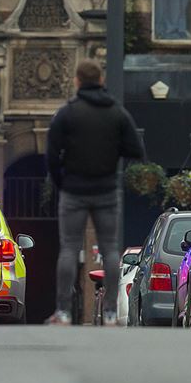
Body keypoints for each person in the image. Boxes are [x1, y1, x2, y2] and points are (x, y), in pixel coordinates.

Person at [46, 60, 145, 326]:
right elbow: (136, 150)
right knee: (111, 249)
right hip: (106, 190)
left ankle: (64, 312)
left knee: (68, 248)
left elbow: (51, 156)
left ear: (77, 81)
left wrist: (62, 181)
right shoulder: (116, 113)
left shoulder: (67, 114)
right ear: (101, 81)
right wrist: (112, 152)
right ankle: (111, 312)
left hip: (74, 190)